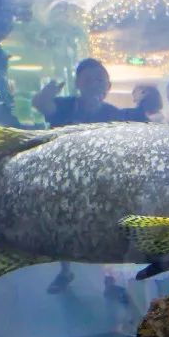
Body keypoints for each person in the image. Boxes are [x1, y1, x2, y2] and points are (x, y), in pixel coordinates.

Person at [32, 58, 120, 294]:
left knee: (108, 227)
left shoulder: (114, 114)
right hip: (64, 179)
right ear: (78, 83)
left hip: (101, 180)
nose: (95, 84)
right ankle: (65, 270)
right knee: (62, 225)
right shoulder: (65, 106)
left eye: (100, 79)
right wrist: (49, 91)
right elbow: (40, 103)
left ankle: (111, 278)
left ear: (108, 85)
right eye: (89, 79)